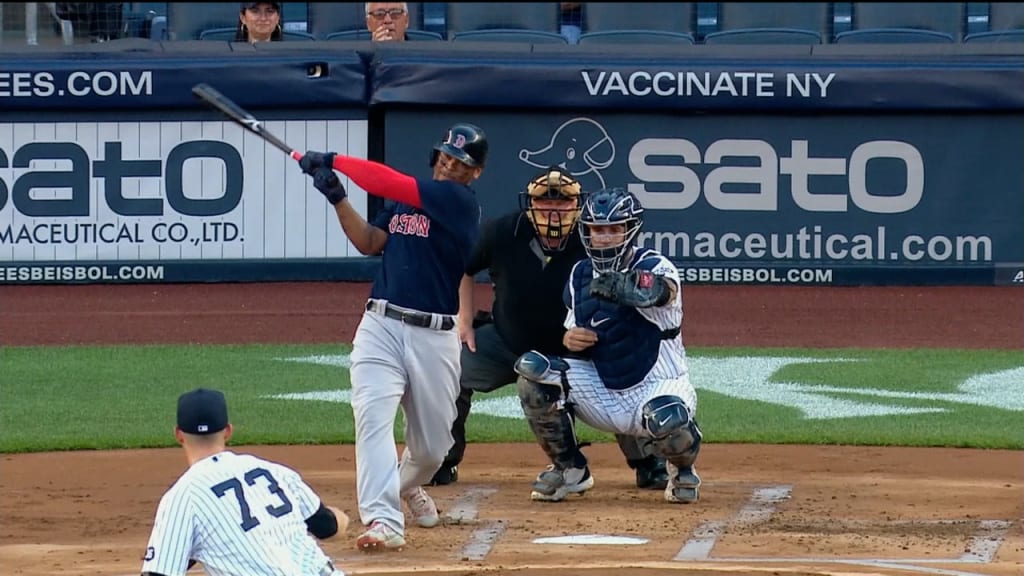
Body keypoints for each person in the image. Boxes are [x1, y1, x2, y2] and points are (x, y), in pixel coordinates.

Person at [297, 123, 486, 551]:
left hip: (435, 337)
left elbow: (388, 180)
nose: (449, 163)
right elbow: (369, 241)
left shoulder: (458, 202)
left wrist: (334, 161)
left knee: (435, 450)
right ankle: (384, 520)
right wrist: (337, 197)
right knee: (372, 420)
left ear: (474, 173)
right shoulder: (406, 202)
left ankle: (405, 484)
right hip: (380, 326)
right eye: (445, 155)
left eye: (460, 161)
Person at [428, 168, 670, 493]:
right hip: (508, 340)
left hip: (579, 349)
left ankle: (647, 461)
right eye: (544, 201)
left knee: (619, 371)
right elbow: (464, 267)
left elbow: (624, 293)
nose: (553, 209)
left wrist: (602, 336)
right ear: (530, 204)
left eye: (564, 201)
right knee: (450, 369)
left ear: (577, 205)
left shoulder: (595, 239)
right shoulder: (502, 230)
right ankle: (442, 459)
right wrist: (465, 320)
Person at [513, 187, 703, 504]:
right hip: (601, 387)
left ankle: (682, 470)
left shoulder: (656, 265)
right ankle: (570, 470)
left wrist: (626, 286)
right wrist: (569, 338)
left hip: (657, 385)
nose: (605, 237)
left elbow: (662, 291)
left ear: (630, 230)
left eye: (614, 229)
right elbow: (574, 327)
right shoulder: (579, 275)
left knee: (668, 418)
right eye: (597, 230)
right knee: (534, 373)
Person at [141, 388, 348, 576]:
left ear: (178, 435)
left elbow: (159, 573)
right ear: (228, 431)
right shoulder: (274, 471)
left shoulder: (183, 495)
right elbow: (328, 527)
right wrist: (341, 518)